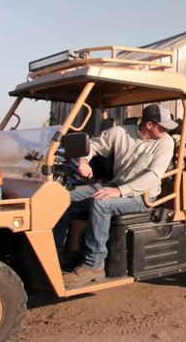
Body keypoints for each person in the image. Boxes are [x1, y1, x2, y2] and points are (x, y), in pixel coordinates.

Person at [54, 104, 177, 288]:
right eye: (163, 126)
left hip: (142, 196)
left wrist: (120, 191)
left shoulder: (165, 142)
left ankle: (93, 265)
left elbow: (152, 177)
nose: (166, 130)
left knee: (101, 202)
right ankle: (55, 255)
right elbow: (93, 145)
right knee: (60, 197)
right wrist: (84, 161)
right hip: (116, 186)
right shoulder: (120, 133)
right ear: (149, 125)